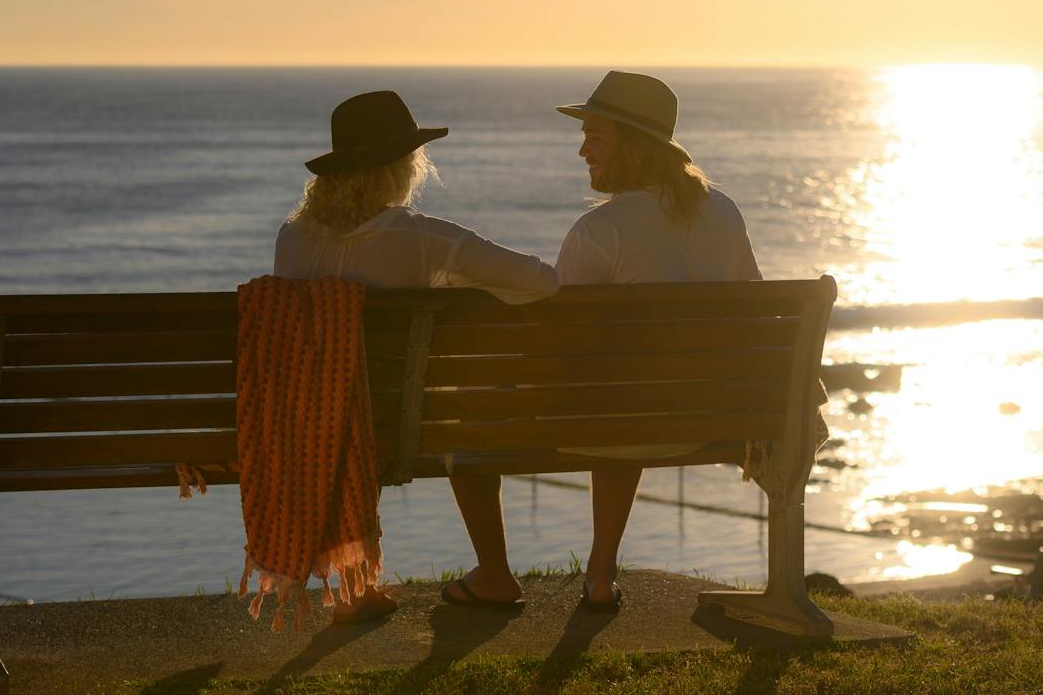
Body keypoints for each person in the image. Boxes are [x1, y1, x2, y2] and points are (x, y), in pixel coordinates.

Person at [447, 70, 761, 612]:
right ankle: (599, 573)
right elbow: (752, 321)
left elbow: (561, 351)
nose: (581, 151)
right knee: (627, 395)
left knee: (469, 422)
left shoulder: (600, 231)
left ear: (637, 149)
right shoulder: (724, 210)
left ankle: (494, 575)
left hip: (619, 420)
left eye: (595, 136)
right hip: (710, 419)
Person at [273, 90, 558, 620]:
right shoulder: (423, 239)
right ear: (400, 168)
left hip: (308, 426)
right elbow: (541, 281)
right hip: (405, 424)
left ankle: (357, 586)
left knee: (344, 388)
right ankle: (492, 570)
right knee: (469, 410)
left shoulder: (292, 238)